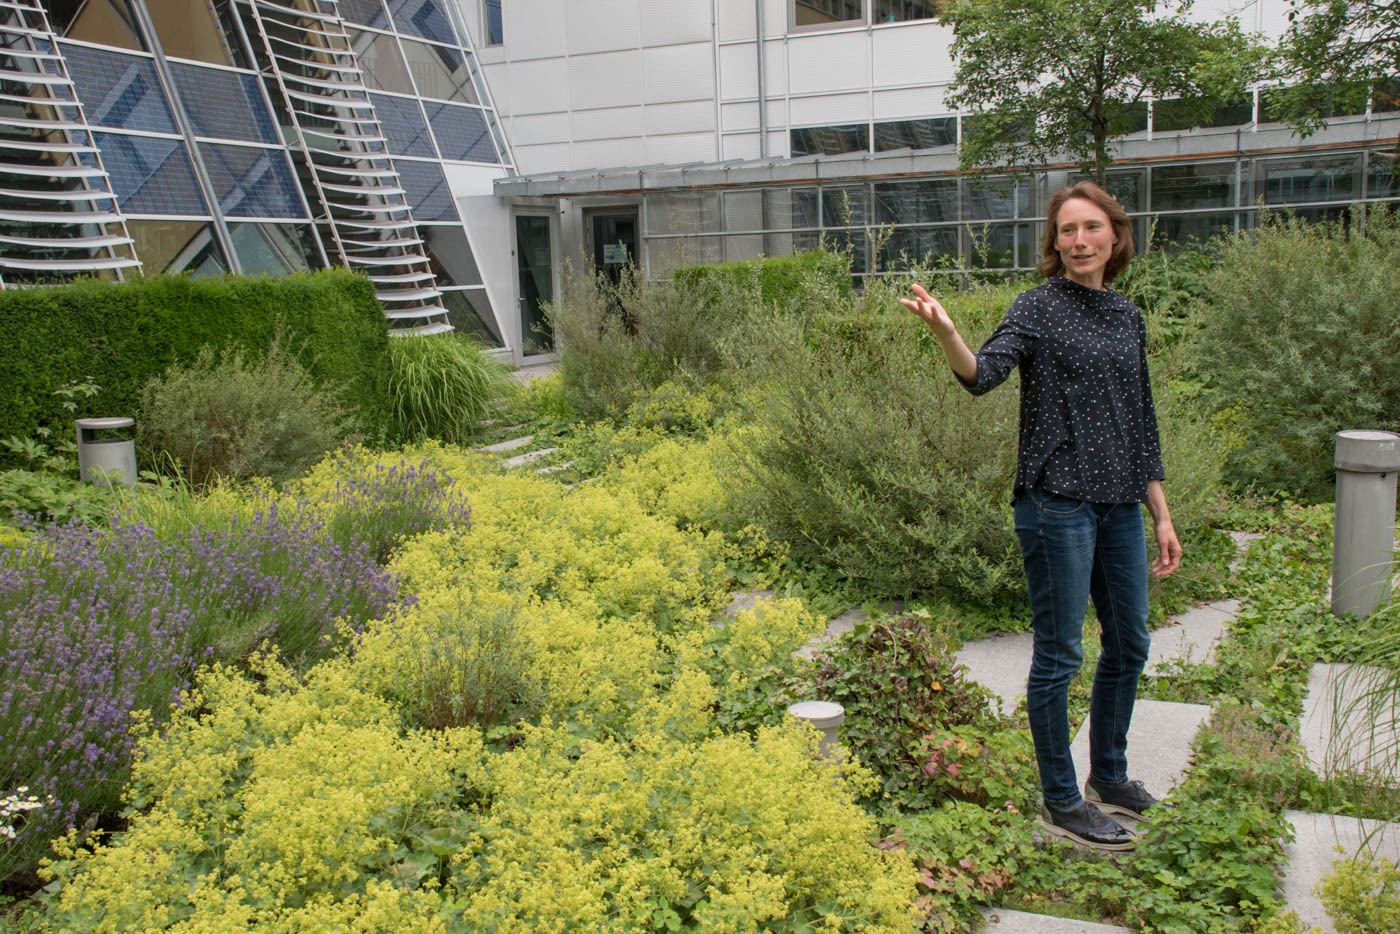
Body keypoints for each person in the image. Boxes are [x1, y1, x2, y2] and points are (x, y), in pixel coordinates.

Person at [900, 181, 1181, 850]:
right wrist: (947, 332)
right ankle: (1061, 799)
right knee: (1059, 654)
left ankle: (1108, 779)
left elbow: (1141, 422)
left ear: (1114, 236)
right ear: (1054, 243)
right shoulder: (1036, 308)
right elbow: (981, 376)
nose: (1079, 240)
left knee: (1132, 643)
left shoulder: (1125, 316)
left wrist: (1161, 515)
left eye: (1091, 228)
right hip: (1056, 503)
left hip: (1119, 507)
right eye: (1067, 230)